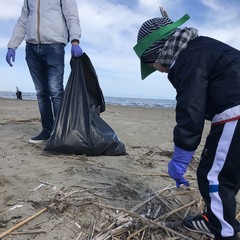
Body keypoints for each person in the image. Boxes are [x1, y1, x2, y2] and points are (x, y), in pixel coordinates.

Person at [134, 13, 240, 240]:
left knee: (214, 177)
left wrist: (182, 153)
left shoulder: (185, 61)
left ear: (159, 51)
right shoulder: (202, 47)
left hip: (235, 113)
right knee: (229, 171)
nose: (159, 70)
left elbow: (191, 108)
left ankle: (224, 231)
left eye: (154, 65)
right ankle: (214, 217)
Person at [6, 0, 83, 144]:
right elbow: (23, 20)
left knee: (56, 92)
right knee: (41, 93)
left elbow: (71, 16)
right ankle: (47, 130)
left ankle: (61, 133)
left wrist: (75, 40)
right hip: (32, 48)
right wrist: (12, 45)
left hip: (54, 47)